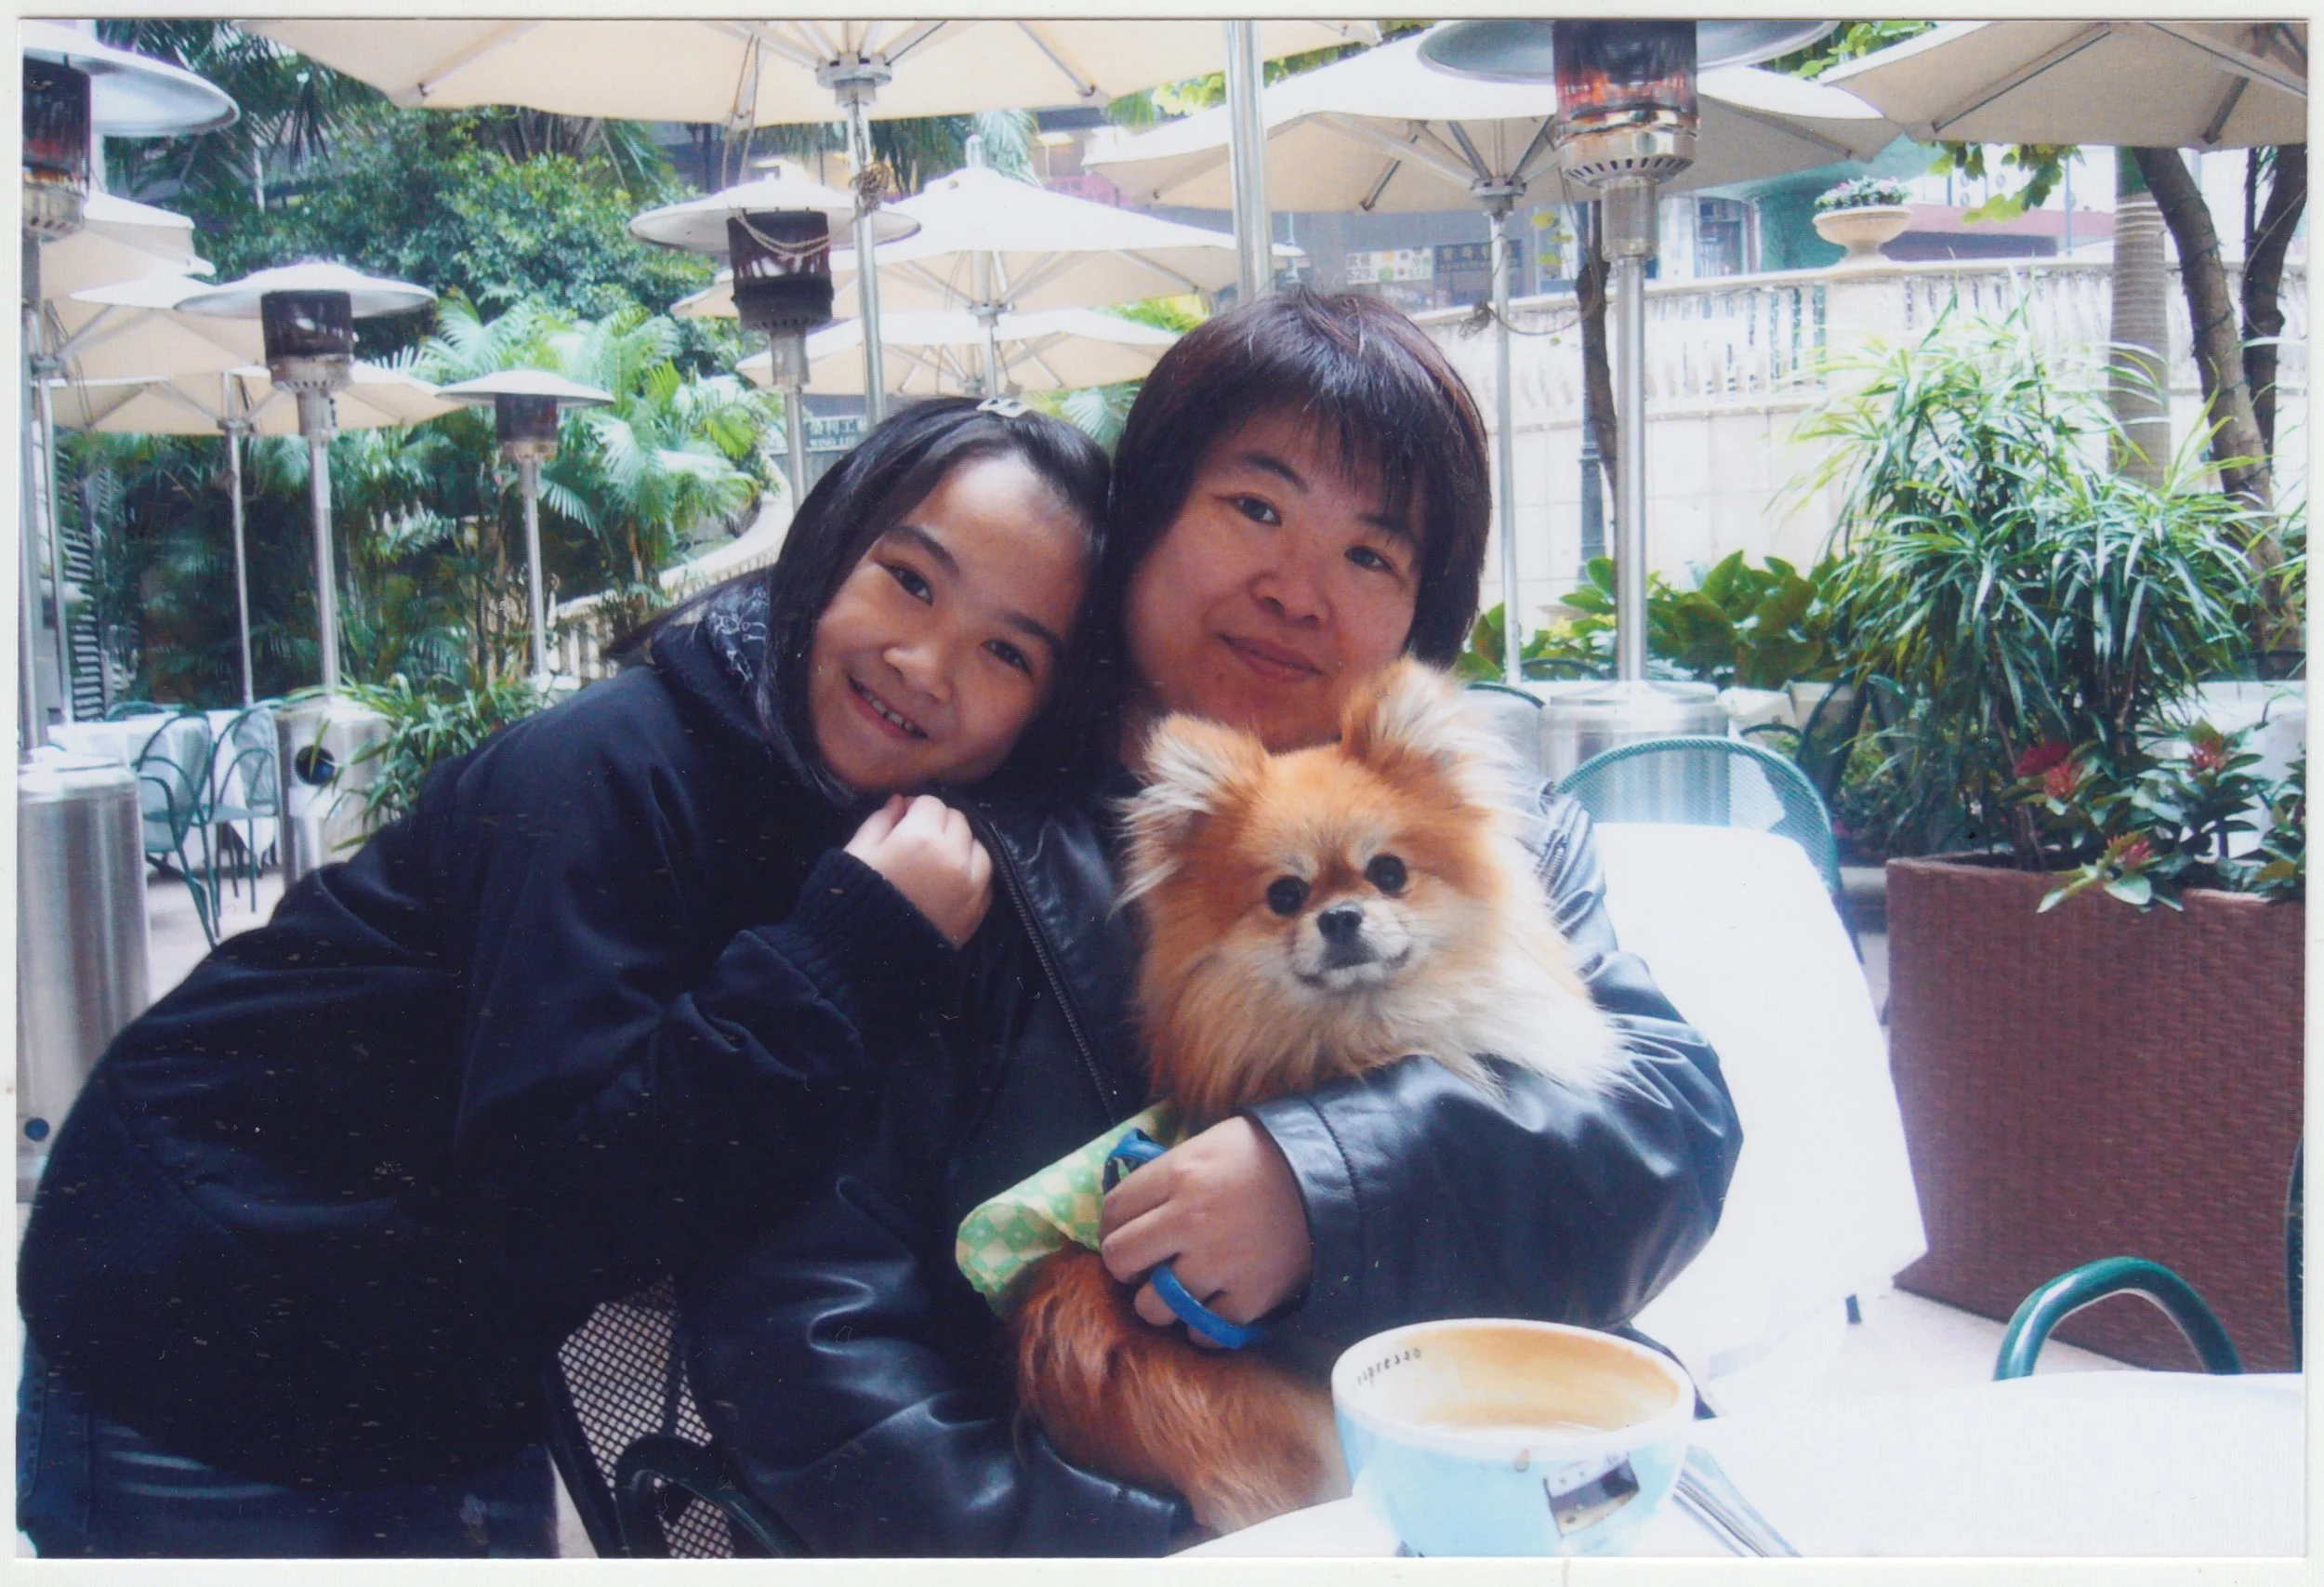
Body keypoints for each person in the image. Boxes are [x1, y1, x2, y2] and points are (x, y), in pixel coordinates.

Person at [673, 291, 1745, 1554]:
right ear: (1139, 524)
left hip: (1506, 1495)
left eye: (1371, 556)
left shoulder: (1486, 823)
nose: (1296, 591)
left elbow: (1667, 1130)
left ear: (1421, 613)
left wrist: (1320, 1184)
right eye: (1256, 508)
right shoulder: (948, 857)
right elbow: (804, 1333)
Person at [14, 396, 1116, 1557]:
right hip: (201, 1319)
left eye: (1007, 652)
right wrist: (846, 950)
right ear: (829, 545)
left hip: (430, 1373)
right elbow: (557, 1196)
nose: (924, 664)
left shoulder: (877, 827)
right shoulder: (609, 766)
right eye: (909, 580)